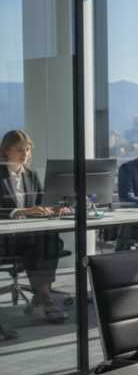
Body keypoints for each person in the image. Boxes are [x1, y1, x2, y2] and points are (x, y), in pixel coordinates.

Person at [0, 130, 68, 322]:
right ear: (6, 151)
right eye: (19, 149)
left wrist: (53, 208)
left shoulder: (31, 174)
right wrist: (20, 212)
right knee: (39, 244)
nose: (25, 154)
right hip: (6, 238)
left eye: (28, 150)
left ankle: (41, 299)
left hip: (30, 234)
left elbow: (41, 202)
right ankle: (45, 300)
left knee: (52, 239)